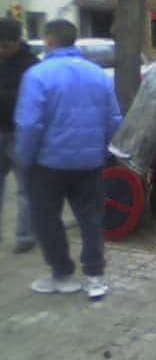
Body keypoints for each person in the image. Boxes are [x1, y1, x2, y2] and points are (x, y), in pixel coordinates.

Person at [15, 19, 122, 298]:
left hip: (48, 164)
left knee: (48, 220)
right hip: (89, 164)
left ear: (49, 40)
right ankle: (95, 277)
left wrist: (24, 159)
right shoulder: (97, 74)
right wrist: (103, 151)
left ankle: (62, 274)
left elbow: (29, 124)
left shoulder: (37, 75)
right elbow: (113, 119)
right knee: (91, 220)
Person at [0, 18, 38, 254]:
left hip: (20, 135)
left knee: (25, 189)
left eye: (4, 45)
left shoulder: (31, 65)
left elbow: (29, 101)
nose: (0, 50)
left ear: (17, 42)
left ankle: (25, 236)